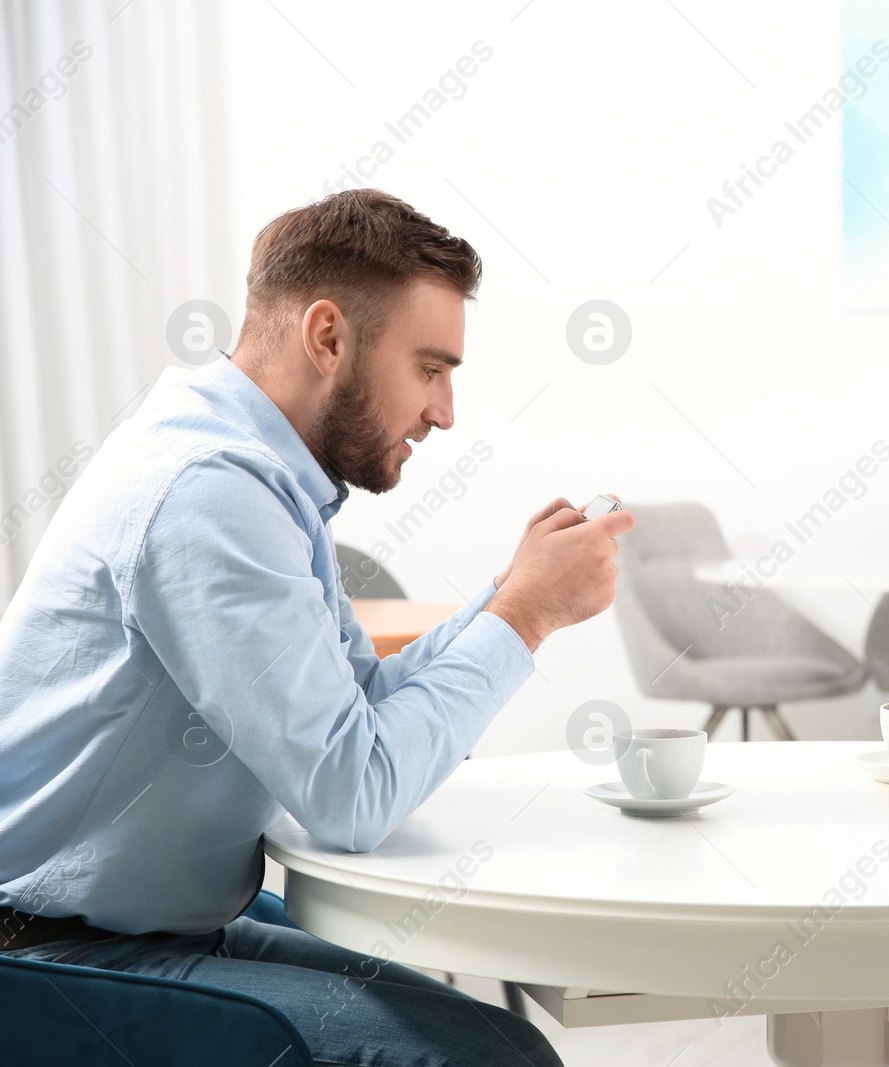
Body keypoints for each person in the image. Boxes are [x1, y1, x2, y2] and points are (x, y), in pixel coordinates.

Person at [0, 189, 631, 1065]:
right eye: (430, 368)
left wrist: (507, 595)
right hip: (45, 958)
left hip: (140, 928)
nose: (444, 412)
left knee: (498, 1036)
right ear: (328, 336)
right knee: (496, 1061)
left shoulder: (255, 471)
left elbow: (360, 702)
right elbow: (351, 796)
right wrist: (527, 615)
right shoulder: (209, 491)